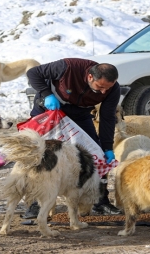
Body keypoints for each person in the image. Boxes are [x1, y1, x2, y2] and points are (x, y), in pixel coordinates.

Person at [21, 58, 122, 219]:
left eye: (107, 88)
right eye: (100, 87)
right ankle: (35, 204)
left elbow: (107, 117)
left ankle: (100, 202)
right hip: (49, 112)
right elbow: (33, 73)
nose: (104, 92)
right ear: (90, 77)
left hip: (80, 116)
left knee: (97, 155)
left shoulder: (112, 89)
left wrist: (107, 146)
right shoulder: (68, 67)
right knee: (41, 156)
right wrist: (47, 94)